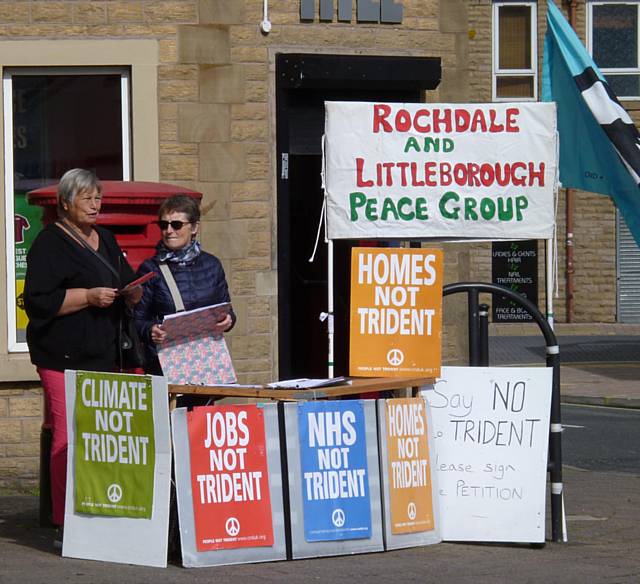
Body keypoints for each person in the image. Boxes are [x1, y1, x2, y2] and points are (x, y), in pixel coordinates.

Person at [24, 168, 142, 544]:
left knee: (100, 438)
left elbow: (122, 279)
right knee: (67, 438)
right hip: (61, 355)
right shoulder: (49, 243)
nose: (95, 204)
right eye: (87, 198)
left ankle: (99, 511)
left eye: (97, 197)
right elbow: (38, 303)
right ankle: (63, 522)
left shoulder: (105, 238)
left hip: (103, 353)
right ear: (65, 203)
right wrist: (88, 297)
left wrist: (133, 291)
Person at [133, 194, 235, 378]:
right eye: (164, 225)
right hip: (166, 364)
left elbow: (227, 309)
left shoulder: (212, 264)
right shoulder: (150, 269)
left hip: (207, 360)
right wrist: (150, 330)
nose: (169, 231)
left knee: (203, 408)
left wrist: (228, 320)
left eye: (176, 225)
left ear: (194, 227)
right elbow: (136, 319)